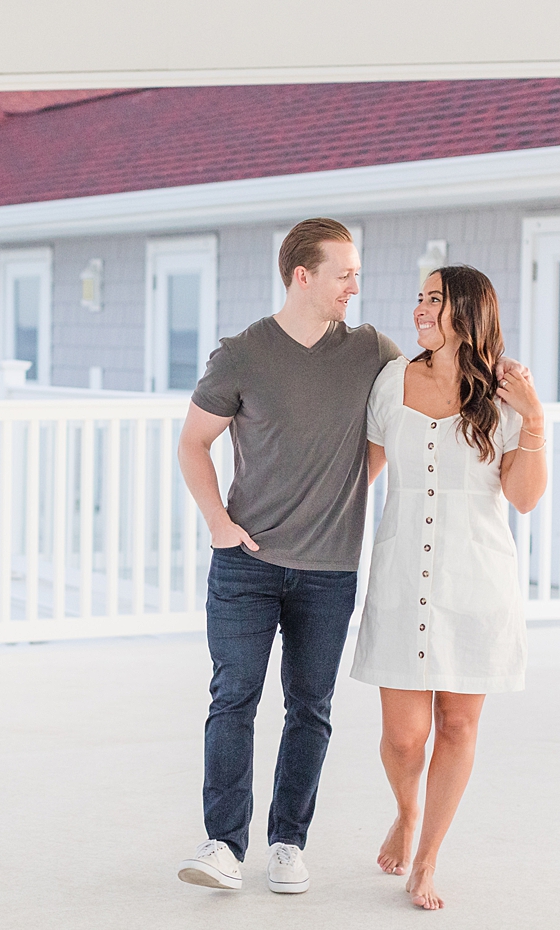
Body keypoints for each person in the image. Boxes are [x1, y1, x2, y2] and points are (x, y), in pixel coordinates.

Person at [174, 218, 401, 894]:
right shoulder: (242, 354)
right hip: (246, 562)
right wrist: (217, 523)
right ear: (302, 275)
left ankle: (287, 843)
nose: (355, 286)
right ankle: (222, 844)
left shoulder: (372, 352)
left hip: (329, 569)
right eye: (344, 274)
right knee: (233, 697)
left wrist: (344, 487)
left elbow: (390, 429)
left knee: (311, 707)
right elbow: (193, 444)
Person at [350, 265, 547, 910]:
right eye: (419, 298)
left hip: (476, 581)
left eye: (434, 299)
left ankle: (428, 856)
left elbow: (522, 498)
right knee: (405, 735)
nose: (420, 310)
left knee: (458, 726)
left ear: (467, 310)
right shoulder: (392, 380)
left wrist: (535, 422)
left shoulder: (506, 391)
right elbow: (364, 474)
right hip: (404, 575)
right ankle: (407, 811)